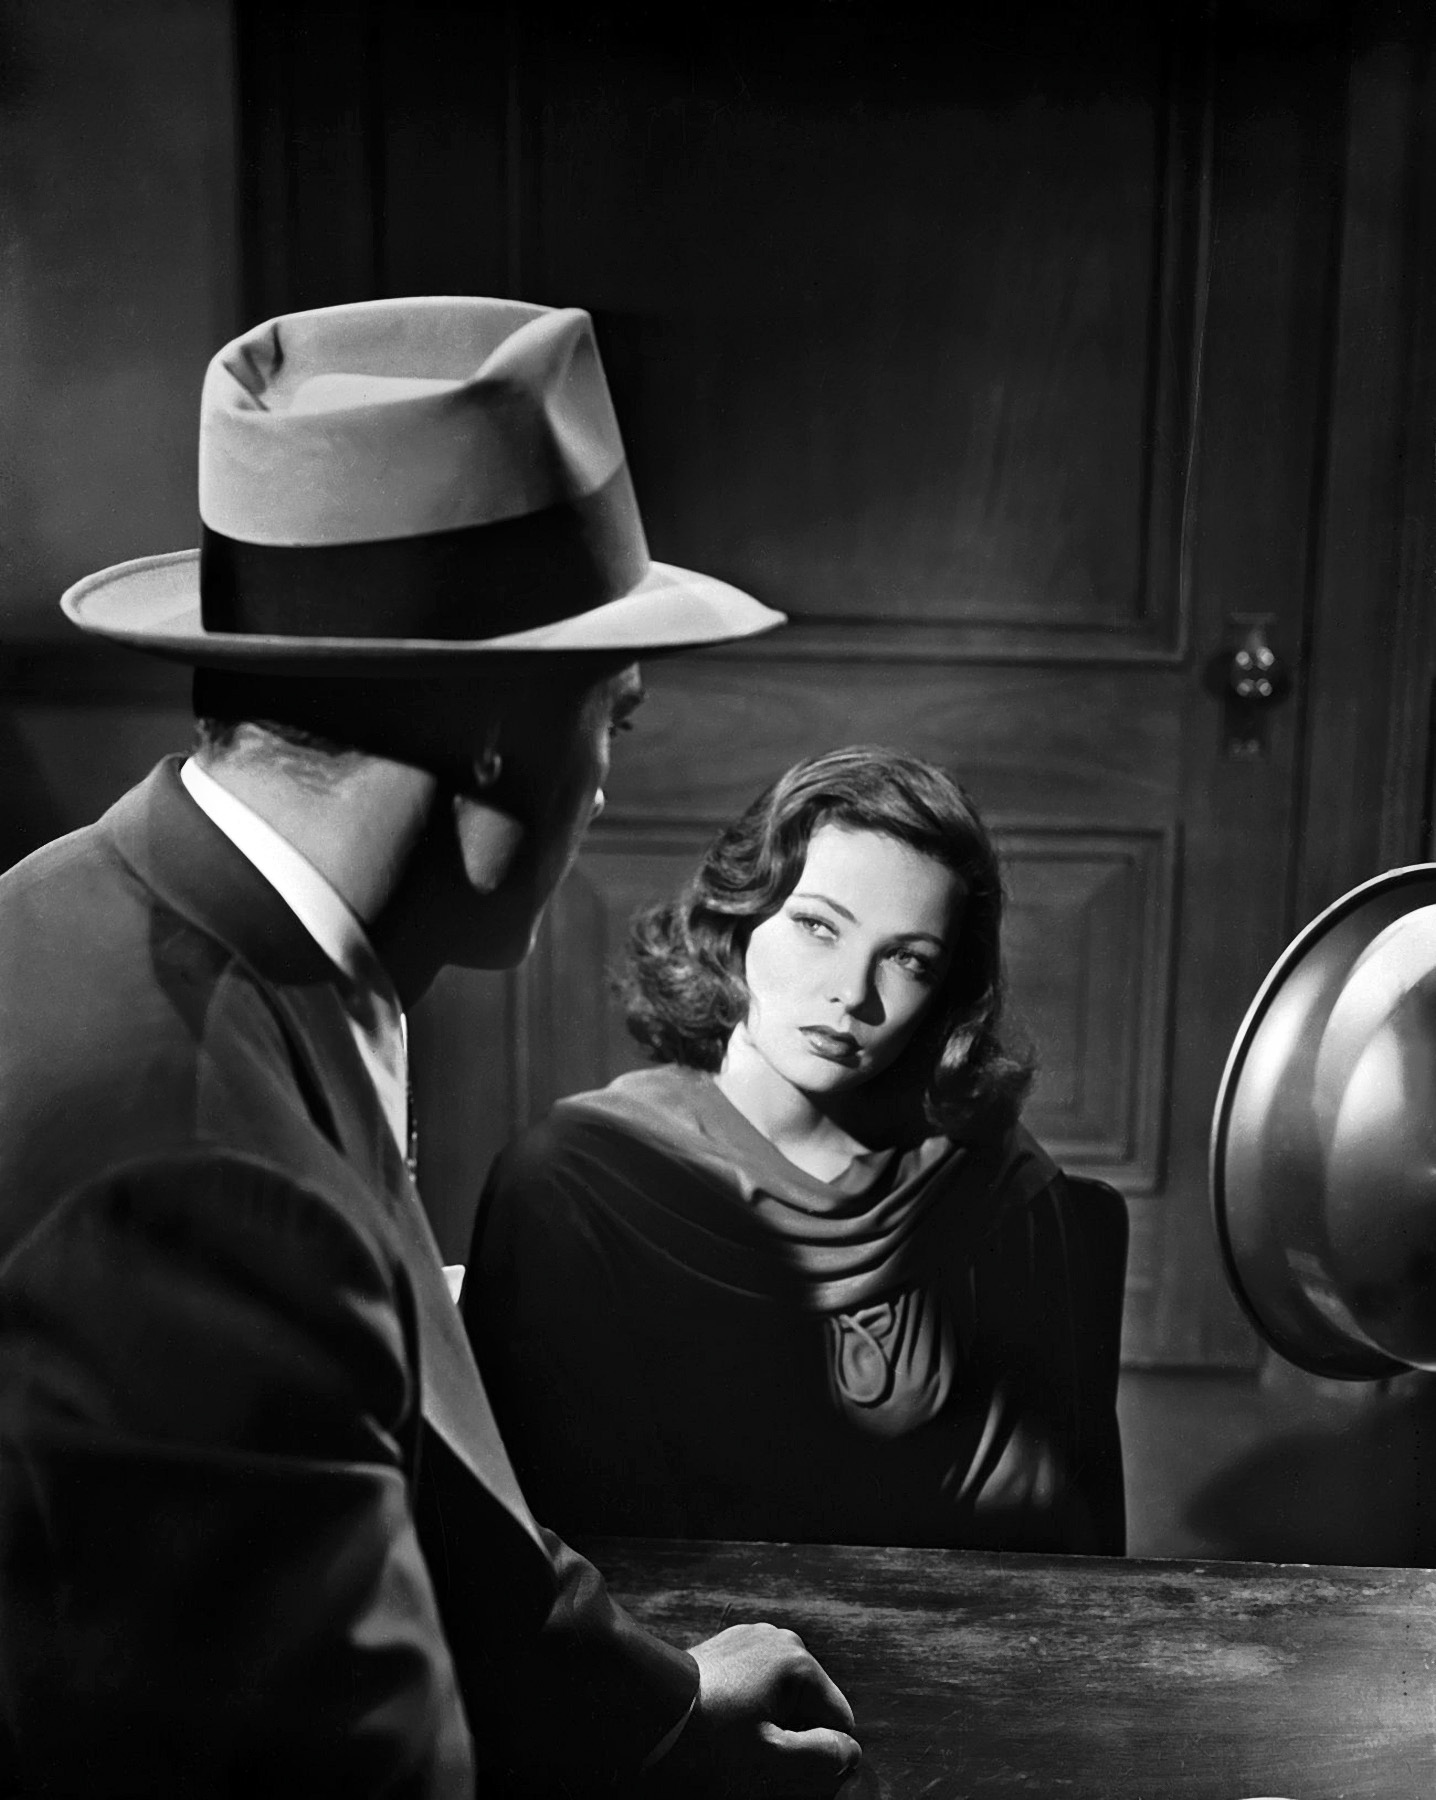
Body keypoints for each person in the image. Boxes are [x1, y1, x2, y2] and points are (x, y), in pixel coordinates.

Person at [0, 297, 861, 1796]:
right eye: (613, 716)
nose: (605, 782)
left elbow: (406, 1473)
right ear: (496, 728)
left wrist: (654, 1711)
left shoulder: (99, 900)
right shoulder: (210, 1189)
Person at [464, 747, 1128, 1554]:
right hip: (670, 1630)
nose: (853, 993)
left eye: (909, 960)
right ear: (740, 916)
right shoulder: (580, 1181)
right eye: (818, 927)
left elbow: (1065, 1541)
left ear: (947, 990)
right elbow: (520, 1538)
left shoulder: (993, 1183)